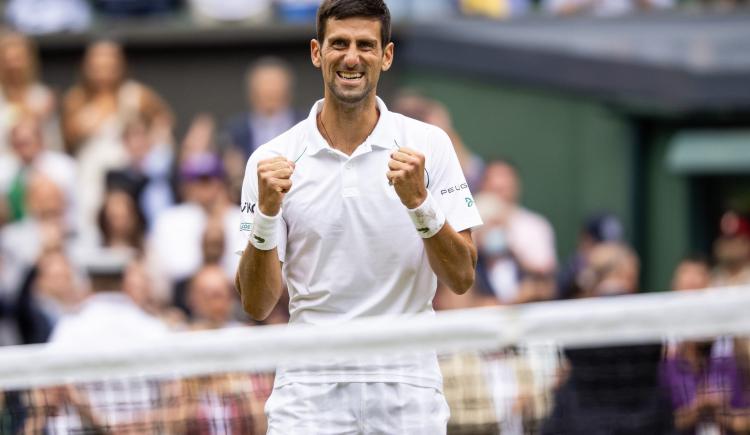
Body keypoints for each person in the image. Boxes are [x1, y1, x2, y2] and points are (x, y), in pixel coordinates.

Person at [234, 1, 482, 433]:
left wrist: (419, 203)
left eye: (366, 45)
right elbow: (257, 304)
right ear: (317, 53)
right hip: (309, 391)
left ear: (386, 56)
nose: (352, 58)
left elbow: (462, 277)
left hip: (408, 386)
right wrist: (267, 216)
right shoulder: (270, 160)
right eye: (339, 44)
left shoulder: (430, 145)